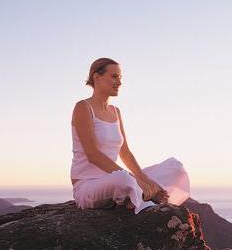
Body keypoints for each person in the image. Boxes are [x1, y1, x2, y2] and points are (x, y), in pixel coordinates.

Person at [70, 57, 191, 214]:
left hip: (113, 178)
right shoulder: (83, 107)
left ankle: (138, 194)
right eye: (114, 77)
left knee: (175, 168)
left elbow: (125, 152)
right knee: (123, 179)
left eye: (120, 77)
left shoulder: (115, 111)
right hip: (87, 185)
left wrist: (146, 180)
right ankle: (142, 203)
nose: (119, 82)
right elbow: (93, 155)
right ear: (97, 77)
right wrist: (137, 181)